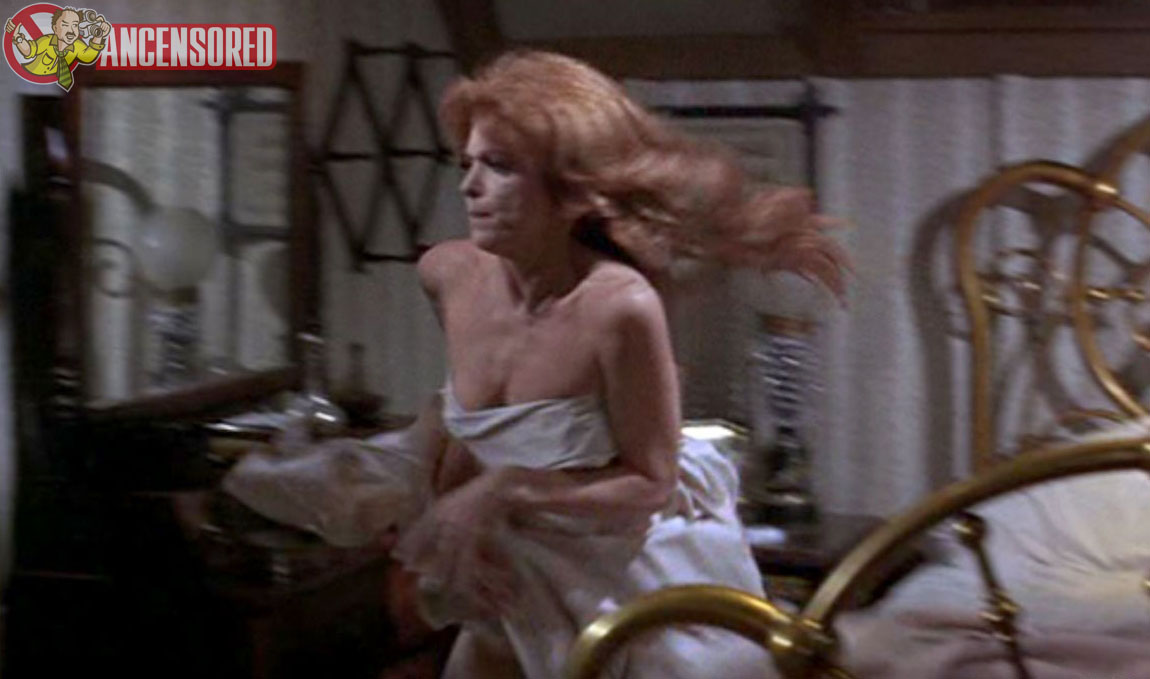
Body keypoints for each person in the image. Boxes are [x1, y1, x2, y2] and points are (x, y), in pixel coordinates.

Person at [390, 49, 848, 678]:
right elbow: (472, 421)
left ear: (572, 191)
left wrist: (504, 489)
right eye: (466, 163)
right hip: (521, 564)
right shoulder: (446, 273)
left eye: (499, 166)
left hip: (618, 569)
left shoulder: (619, 306)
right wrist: (450, 519)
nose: (469, 186)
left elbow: (650, 482)